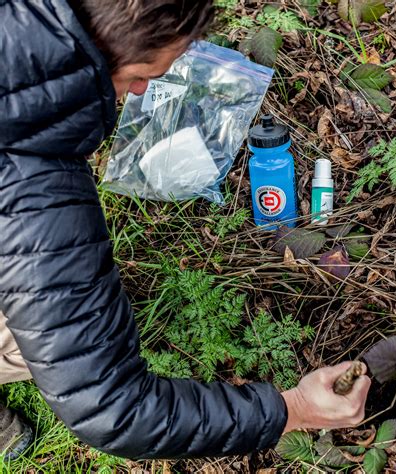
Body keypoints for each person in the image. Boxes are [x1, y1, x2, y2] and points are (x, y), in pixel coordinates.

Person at [0, 0, 371, 462]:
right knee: (27, 340)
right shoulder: (34, 186)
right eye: (139, 74)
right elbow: (114, 406)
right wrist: (292, 408)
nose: (137, 92)